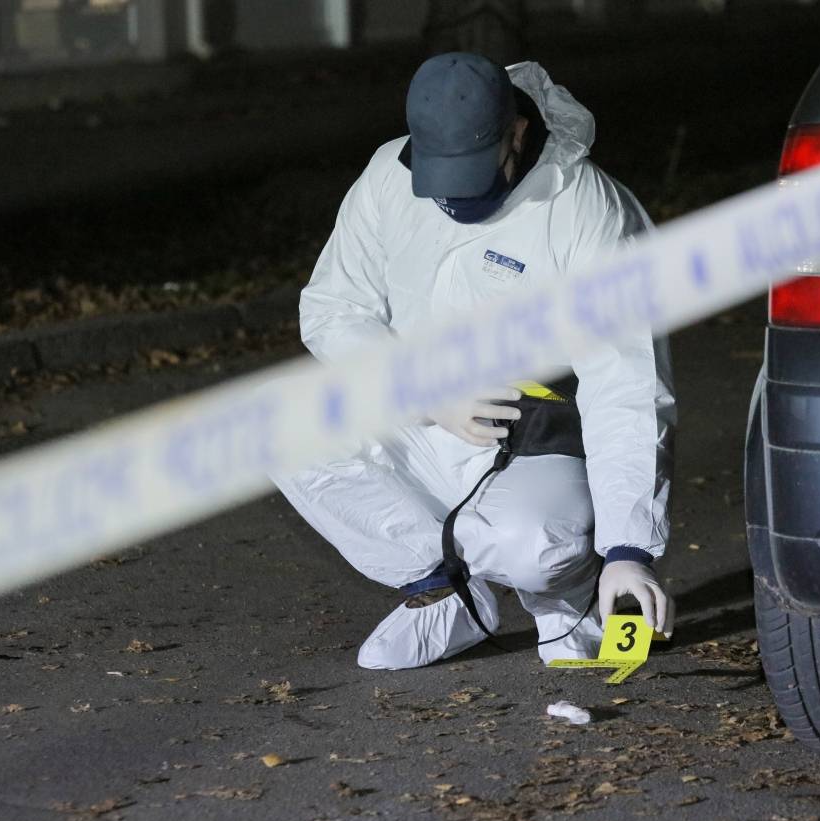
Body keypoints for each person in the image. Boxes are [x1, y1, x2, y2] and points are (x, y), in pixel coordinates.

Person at [275, 53, 675, 671]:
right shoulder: (388, 171)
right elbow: (333, 306)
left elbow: (626, 381)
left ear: (516, 133)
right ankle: (442, 589)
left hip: (534, 435)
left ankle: (569, 592)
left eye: (468, 168)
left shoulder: (584, 207)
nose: (450, 194)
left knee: (537, 548)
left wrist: (629, 546)